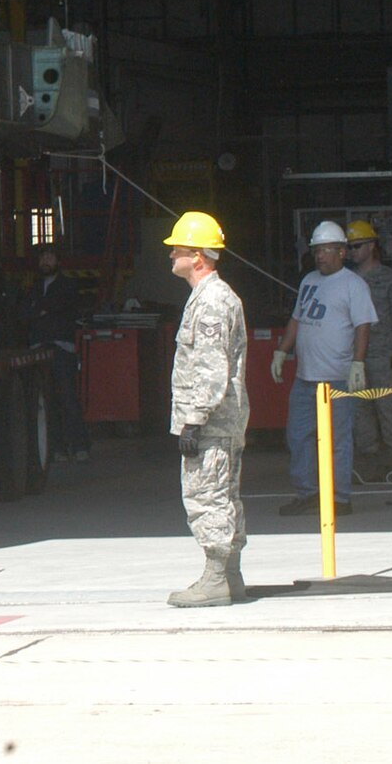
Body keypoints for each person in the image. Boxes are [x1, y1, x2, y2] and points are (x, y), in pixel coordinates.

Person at [162, 212, 250, 608]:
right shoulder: (211, 297)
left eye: (176, 249)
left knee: (207, 496)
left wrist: (194, 420)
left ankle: (217, 578)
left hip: (211, 421)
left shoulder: (212, 302)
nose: (171, 256)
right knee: (224, 496)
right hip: (220, 419)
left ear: (197, 256)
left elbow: (213, 368)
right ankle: (230, 576)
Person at [272, 220, 376, 516]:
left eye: (327, 250)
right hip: (306, 378)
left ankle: (340, 498)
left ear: (342, 252)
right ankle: (308, 493)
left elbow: (363, 326)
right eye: (317, 250)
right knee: (298, 436)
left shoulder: (353, 285)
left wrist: (358, 362)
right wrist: (282, 350)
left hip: (337, 378)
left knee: (338, 440)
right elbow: (297, 319)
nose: (320, 256)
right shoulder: (309, 281)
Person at [347, 219, 392, 475]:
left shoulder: (389, 279)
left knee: (388, 406)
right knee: (358, 408)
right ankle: (369, 460)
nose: (353, 251)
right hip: (356, 356)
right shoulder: (348, 279)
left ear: (372, 246)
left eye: (357, 246)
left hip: (383, 354)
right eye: (350, 247)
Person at [25, 245, 90, 462]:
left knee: (68, 399)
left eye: (50, 257)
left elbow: (61, 306)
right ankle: (57, 448)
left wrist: (44, 309)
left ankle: (80, 446)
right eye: (43, 257)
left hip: (61, 348)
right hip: (38, 347)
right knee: (47, 400)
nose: (46, 261)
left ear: (58, 261)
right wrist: (44, 309)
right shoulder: (33, 287)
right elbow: (27, 312)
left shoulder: (67, 285)